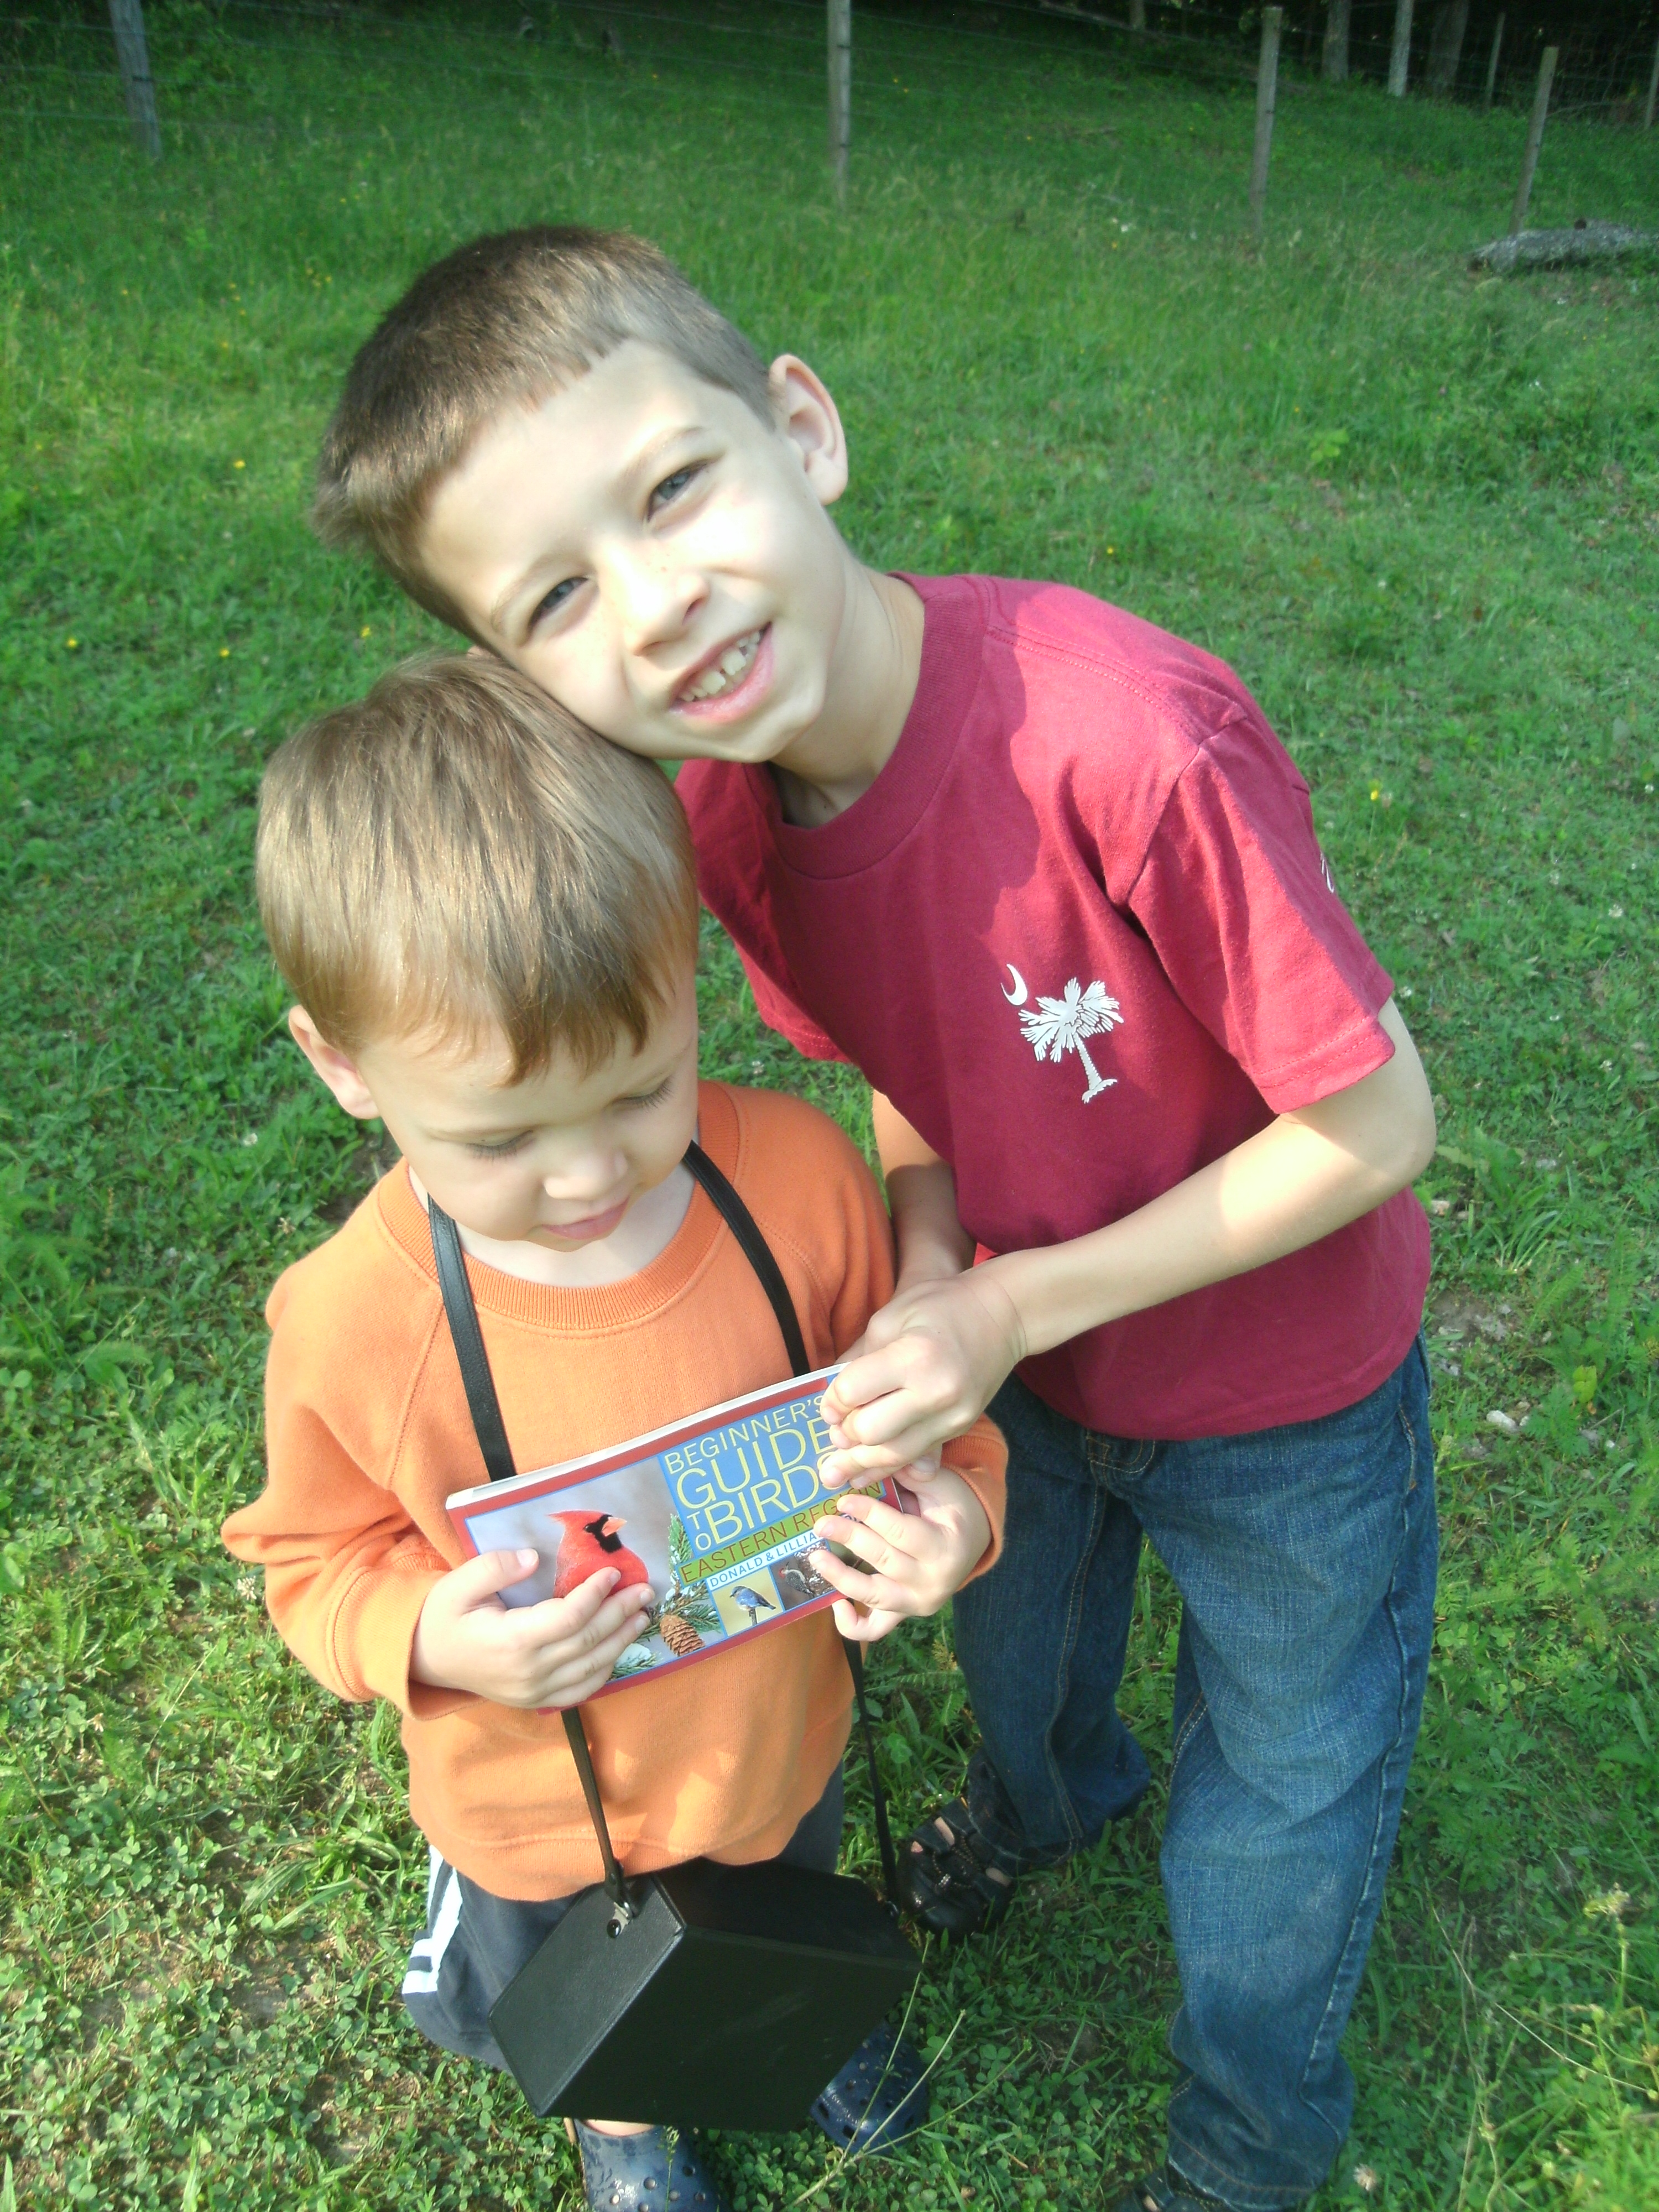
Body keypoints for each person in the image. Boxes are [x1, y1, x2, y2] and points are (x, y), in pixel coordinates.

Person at [308, 226, 1440, 2212]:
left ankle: (1249, 2153)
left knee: (1279, 1807)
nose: (657, 601)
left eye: (673, 489)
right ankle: (1044, 1808)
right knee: (1025, 1668)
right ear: (519, 681)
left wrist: (1008, 1305)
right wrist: (929, 1276)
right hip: (1024, 1368)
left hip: (1286, 1398)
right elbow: (907, 1057)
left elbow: (1377, 1123)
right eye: (559, 595)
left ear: (802, 430)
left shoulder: (1122, 739)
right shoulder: (722, 822)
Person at [221, 654, 1008, 2212]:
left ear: (690, 973)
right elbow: (308, 1562)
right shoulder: (354, 1322)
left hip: (780, 1744)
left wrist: (958, 1521)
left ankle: (799, 2023)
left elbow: (933, 1408)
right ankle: (627, 2126)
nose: (586, 1176)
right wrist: (429, 1639)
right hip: (537, 1813)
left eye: (645, 1089)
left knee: (781, 1903)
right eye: (504, 1135)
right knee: (594, 2004)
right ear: (341, 1065)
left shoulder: (799, 1185)